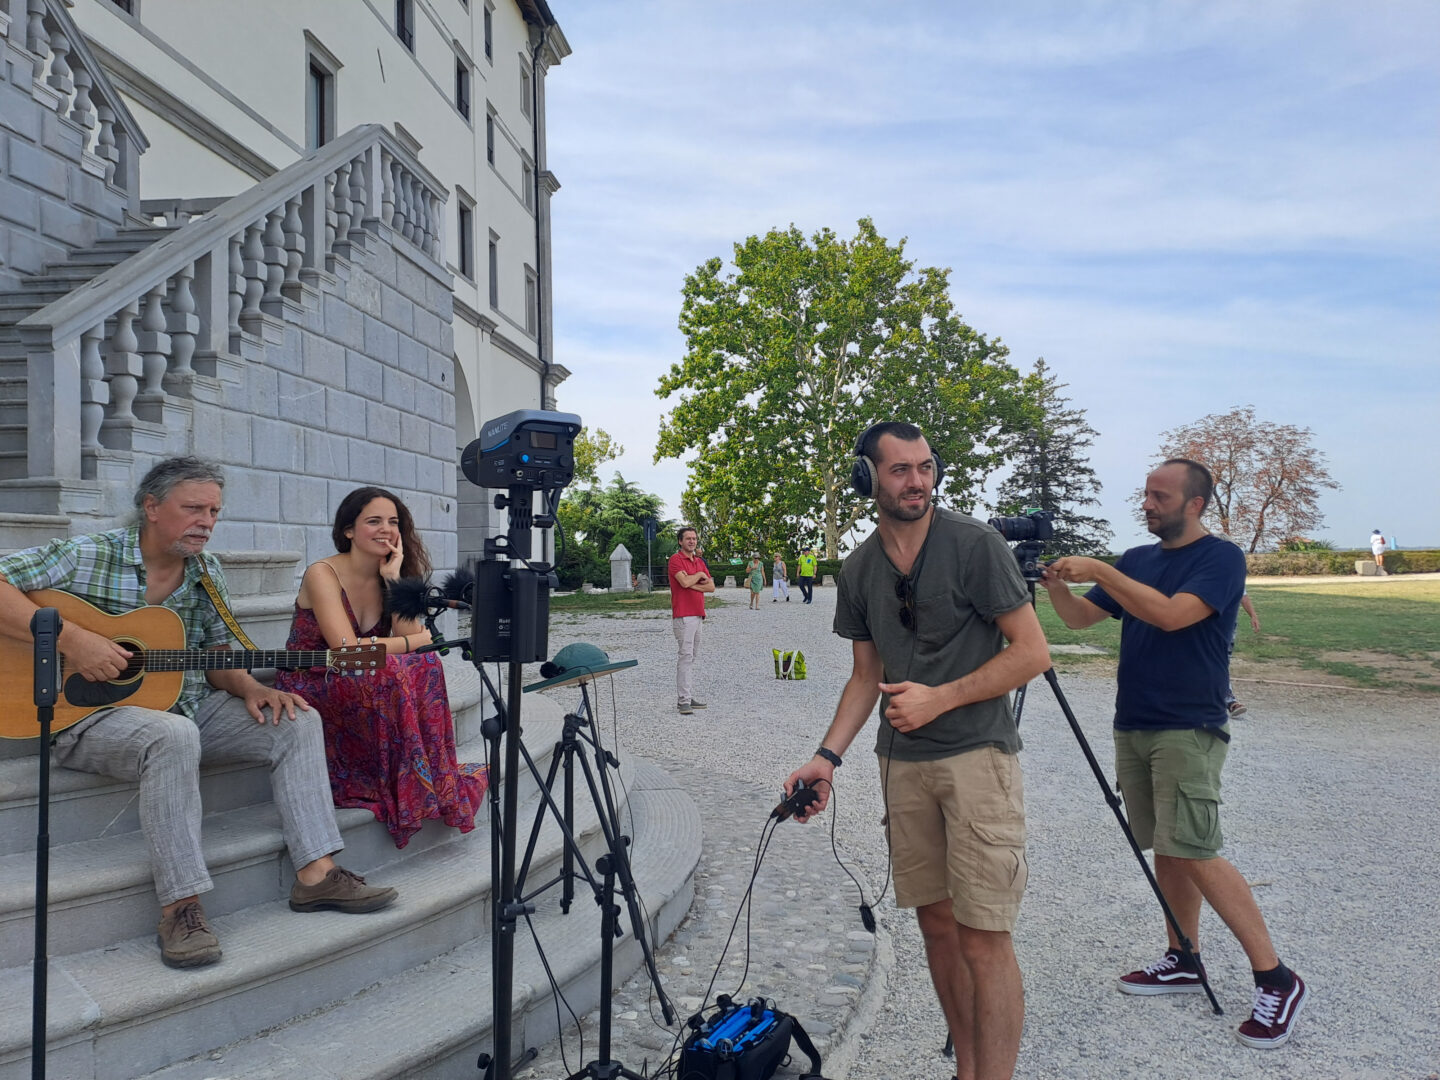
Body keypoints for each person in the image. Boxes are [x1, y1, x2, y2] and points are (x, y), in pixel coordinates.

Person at [0, 457, 397, 970]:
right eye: (193, 508)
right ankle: (180, 907)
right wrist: (74, 640)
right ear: (151, 507)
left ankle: (317, 875)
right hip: (87, 718)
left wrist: (252, 687)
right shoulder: (88, 554)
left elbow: (215, 653)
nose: (206, 521)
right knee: (174, 736)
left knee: (298, 721)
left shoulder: (206, 572)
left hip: (182, 704)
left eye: (214, 510)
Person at [785, 422, 1050, 1080]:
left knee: (985, 935)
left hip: (977, 758)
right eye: (900, 469)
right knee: (935, 924)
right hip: (901, 766)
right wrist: (826, 757)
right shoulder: (858, 568)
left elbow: (1032, 653)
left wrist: (942, 697)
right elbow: (864, 676)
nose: (917, 482)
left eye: (925, 467)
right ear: (866, 478)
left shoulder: (975, 545)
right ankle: (966, 1067)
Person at [1041, 458, 1308, 1050]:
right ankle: (1183, 956)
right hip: (1134, 721)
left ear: (1196, 504)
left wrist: (1101, 569)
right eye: (1146, 494)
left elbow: (1168, 616)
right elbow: (1083, 620)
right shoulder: (1137, 560)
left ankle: (1277, 977)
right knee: (1167, 844)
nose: (1148, 504)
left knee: (1195, 848)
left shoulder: (1221, 559)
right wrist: (1059, 586)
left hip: (1189, 725)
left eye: (1161, 496)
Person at [275, 486, 486, 848]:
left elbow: (409, 642)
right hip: (313, 677)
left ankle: (421, 776)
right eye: (373, 521)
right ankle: (387, 779)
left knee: (424, 664)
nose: (386, 529)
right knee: (395, 668)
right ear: (348, 531)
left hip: (361, 675)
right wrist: (411, 641)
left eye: (393, 522)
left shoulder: (387, 574)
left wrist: (393, 582)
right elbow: (345, 651)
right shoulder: (321, 573)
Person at [668, 526, 714, 715]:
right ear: (680, 541)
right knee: (685, 656)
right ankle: (683, 701)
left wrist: (691, 581)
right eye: (688, 538)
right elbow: (683, 583)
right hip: (683, 615)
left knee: (691, 657)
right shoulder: (675, 560)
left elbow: (711, 587)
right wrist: (698, 578)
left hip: (697, 613)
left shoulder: (699, 561)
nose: (692, 541)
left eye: (694, 538)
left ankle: (686, 695)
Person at [1225, 592, 1260, 717]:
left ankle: (1229, 700)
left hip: (1227, 624)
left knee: (1222, 662)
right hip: (1204, 623)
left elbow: (1242, 594)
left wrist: (1253, 615)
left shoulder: (1233, 573)